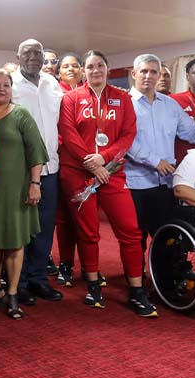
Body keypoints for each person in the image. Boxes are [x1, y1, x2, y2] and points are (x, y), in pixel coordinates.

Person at [58, 50, 156, 317]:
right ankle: (92, 284)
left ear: (108, 69)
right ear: (83, 71)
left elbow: (128, 134)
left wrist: (104, 158)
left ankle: (136, 289)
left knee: (130, 231)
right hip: (78, 173)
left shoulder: (122, 98)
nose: (95, 70)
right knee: (88, 231)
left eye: (100, 65)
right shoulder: (71, 98)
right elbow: (67, 133)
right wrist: (92, 163)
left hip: (112, 172)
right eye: (90, 67)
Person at [0, 69, 47, 319]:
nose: (2, 89)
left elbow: (36, 152)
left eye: (6, 85)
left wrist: (35, 183)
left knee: (14, 242)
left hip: (17, 190)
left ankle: (13, 292)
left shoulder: (21, 115)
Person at [126, 54, 195, 249]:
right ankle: (137, 270)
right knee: (135, 237)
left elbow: (191, 131)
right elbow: (125, 141)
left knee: (168, 236)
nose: (149, 76)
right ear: (134, 74)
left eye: (153, 72)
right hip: (135, 183)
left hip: (166, 183)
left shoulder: (170, 104)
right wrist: (154, 161)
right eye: (144, 71)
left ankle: (164, 270)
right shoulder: (124, 102)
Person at [10, 39, 64, 305]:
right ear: (18, 57)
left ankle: (38, 278)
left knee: (44, 227)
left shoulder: (52, 84)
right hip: (20, 170)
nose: (33, 57)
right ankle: (17, 282)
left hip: (50, 167)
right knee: (21, 228)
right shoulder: (10, 84)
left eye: (38, 53)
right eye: (27, 53)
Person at [52, 52, 84, 285]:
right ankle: (65, 264)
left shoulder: (91, 93)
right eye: (66, 66)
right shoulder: (54, 93)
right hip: (64, 161)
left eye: (75, 65)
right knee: (64, 219)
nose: (71, 69)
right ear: (59, 72)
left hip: (90, 164)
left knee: (86, 221)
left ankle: (90, 267)